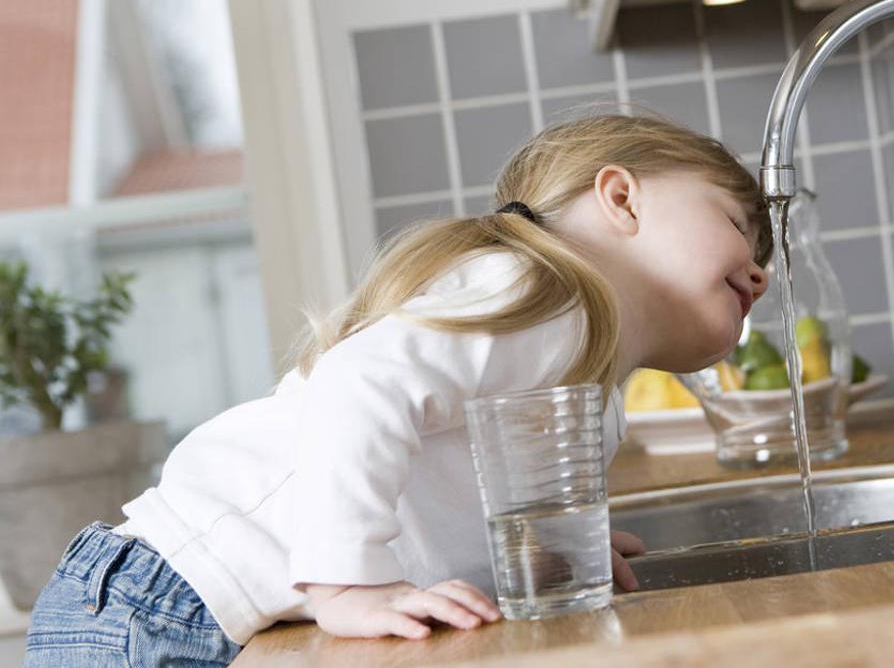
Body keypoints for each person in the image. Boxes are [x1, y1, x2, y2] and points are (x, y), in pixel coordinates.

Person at [23, 112, 772, 667]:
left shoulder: (588, 381)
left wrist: (548, 547)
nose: (761, 269)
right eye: (740, 223)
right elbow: (360, 385)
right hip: (158, 601)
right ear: (622, 197)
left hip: (182, 604)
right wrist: (350, 585)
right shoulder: (550, 296)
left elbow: (438, 483)